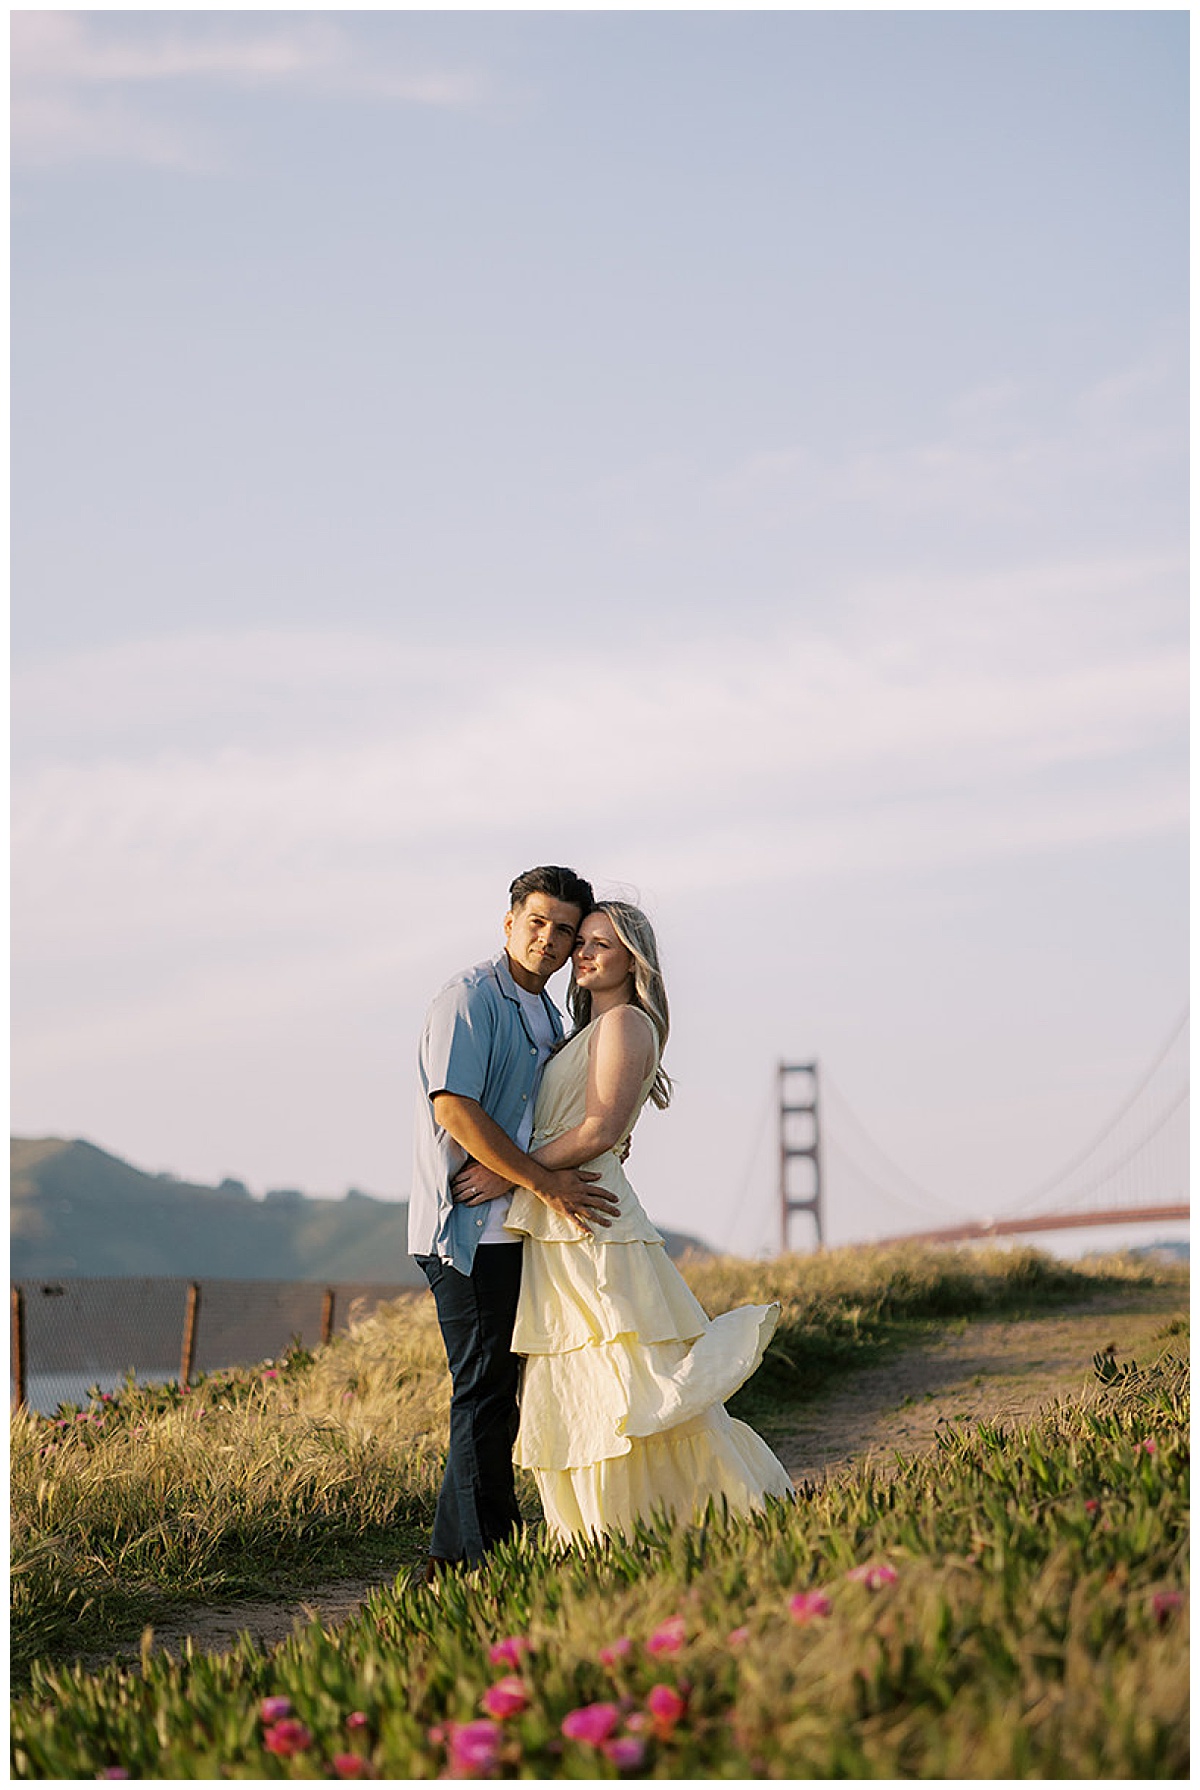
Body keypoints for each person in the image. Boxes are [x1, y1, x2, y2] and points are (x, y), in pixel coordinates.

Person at [453, 900, 794, 1543]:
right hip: (561, 1208)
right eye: (579, 942)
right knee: (583, 1371)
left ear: (632, 960)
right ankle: (602, 1532)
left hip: (589, 1211)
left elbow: (600, 1129)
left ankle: (667, 1519)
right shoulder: (590, 1029)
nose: (581, 953)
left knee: (625, 1372)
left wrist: (508, 1170)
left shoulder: (627, 1024)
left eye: (599, 945)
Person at [409, 866, 621, 1576]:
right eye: (538, 922)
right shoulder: (470, 998)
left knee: (494, 1397)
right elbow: (454, 1108)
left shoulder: (553, 1017)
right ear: (508, 923)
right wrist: (542, 1181)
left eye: (565, 930)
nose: (551, 939)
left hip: (516, 1232)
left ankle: (446, 1562)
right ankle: (492, 1561)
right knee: (484, 1394)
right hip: (465, 1233)